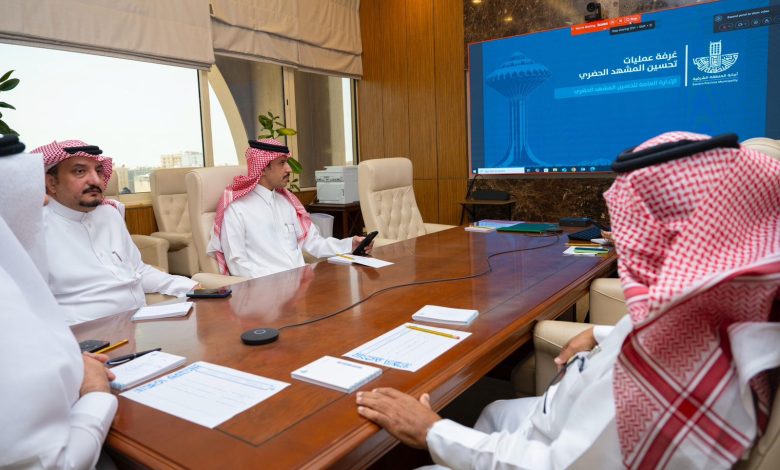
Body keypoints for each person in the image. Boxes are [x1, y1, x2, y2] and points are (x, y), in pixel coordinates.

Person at [356, 131, 780, 469]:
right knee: (493, 411)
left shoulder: (660, 376)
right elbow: (664, 324)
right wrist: (600, 333)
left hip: (558, 447)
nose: (625, 238)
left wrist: (430, 431)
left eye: (633, 224)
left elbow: (556, 464)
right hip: (565, 416)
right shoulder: (724, 297)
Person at [0, 135, 117, 468]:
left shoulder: (109, 217)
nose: (43, 203)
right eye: (26, 194)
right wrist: (95, 393)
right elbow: (52, 463)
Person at [34, 139, 198, 324]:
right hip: (84, 334)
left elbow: (138, 270)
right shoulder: (34, 229)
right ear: (51, 183)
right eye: (79, 171)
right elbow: (31, 305)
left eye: (98, 171)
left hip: (139, 323)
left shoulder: (109, 214)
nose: (95, 180)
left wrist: (191, 287)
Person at [208, 138, 373, 278]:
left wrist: (350, 244)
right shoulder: (237, 209)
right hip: (266, 294)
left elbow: (313, 243)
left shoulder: (287, 202)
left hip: (300, 287)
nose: (289, 169)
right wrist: (279, 281)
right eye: (282, 163)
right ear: (263, 168)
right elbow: (238, 265)